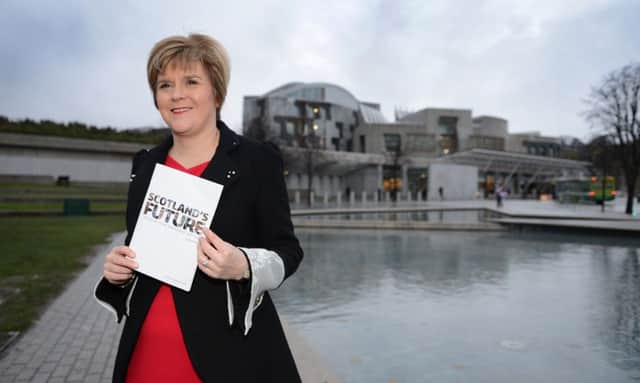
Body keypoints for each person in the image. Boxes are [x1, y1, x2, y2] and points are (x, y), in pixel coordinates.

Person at [94, 34, 303, 382]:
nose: (177, 94)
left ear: (216, 93)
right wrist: (119, 271)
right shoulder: (144, 165)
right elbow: (139, 245)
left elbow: (288, 251)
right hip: (145, 356)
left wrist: (244, 265)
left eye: (191, 81)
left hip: (233, 358)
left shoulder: (258, 161)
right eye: (165, 84)